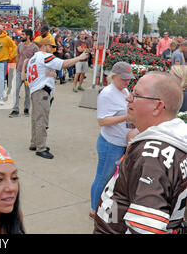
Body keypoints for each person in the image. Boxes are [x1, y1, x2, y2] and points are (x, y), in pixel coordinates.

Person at [93, 72, 186, 234]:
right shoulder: (168, 146)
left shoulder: (153, 156)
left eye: (136, 95)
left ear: (158, 106)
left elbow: (146, 228)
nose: (128, 98)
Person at [23, 37, 89, 159]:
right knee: (41, 120)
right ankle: (40, 147)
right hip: (42, 91)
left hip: (36, 90)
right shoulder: (44, 56)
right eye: (51, 46)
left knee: (36, 119)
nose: (52, 49)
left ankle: (35, 143)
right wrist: (79, 58)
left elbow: (41, 73)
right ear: (45, 46)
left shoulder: (34, 58)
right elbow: (63, 64)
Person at [89, 62, 134, 219]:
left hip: (120, 142)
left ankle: (101, 206)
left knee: (111, 179)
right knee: (103, 177)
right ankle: (94, 209)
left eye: (129, 79)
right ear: (114, 76)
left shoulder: (122, 90)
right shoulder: (108, 93)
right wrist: (126, 117)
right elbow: (102, 121)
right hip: (111, 144)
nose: (127, 82)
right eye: (124, 79)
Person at [9, 29, 38, 118]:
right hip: (19, 71)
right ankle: (15, 109)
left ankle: (26, 109)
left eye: (23, 35)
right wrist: (17, 66)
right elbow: (18, 55)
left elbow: (36, 60)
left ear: (28, 36)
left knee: (27, 92)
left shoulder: (34, 47)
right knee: (15, 90)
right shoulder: (20, 45)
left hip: (29, 73)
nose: (21, 36)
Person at [0, 24, 17, 105]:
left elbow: (14, 47)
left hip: (3, 61)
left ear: (0, 29)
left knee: (1, 79)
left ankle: (1, 97)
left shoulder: (7, 38)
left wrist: (10, 57)